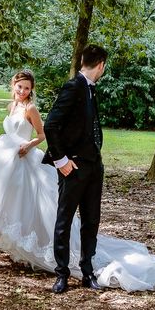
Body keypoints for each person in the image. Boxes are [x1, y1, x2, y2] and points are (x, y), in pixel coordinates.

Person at [0, 68, 155, 293]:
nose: (22, 91)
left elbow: (43, 134)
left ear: (31, 91)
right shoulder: (11, 105)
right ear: (13, 85)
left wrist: (29, 145)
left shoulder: (30, 109)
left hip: (23, 160)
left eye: (26, 88)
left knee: (31, 205)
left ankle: (39, 252)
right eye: (19, 86)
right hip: (4, 159)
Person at [42, 44, 106, 293]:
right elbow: (51, 125)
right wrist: (61, 161)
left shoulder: (91, 89)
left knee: (91, 220)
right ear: (100, 65)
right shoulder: (73, 87)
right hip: (73, 166)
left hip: (93, 166)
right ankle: (62, 274)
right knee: (64, 219)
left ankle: (87, 272)